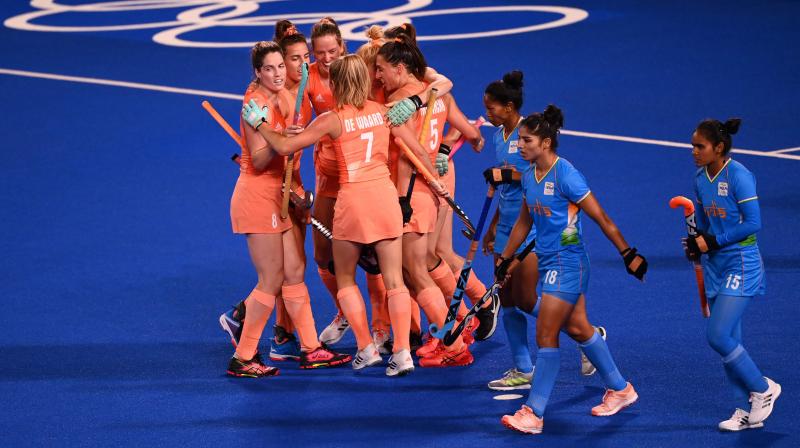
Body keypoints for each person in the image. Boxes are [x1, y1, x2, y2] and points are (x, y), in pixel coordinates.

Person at [242, 54, 449, 376]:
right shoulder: (385, 113)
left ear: (336, 84)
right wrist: (439, 175)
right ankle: (402, 353)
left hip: (353, 203)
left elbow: (285, 147)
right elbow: (419, 152)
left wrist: (260, 124)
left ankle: (366, 348)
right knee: (395, 280)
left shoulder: (331, 119)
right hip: (384, 199)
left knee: (346, 278)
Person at [498, 105, 646, 434]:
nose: (520, 146)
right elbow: (524, 222)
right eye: (520, 140)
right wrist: (506, 258)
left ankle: (533, 413)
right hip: (550, 260)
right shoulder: (528, 175)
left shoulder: (567, 175)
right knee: (578, 328)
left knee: (546, 334)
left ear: (546, 143)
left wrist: (628, 253)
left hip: (569, 262)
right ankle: (622, 390)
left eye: (527, 140)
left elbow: (601, 217)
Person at [224, 41, 351, 377]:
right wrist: (283, 137)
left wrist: (289, 139)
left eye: (281, 66)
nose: (278, 73)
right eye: (270, 68)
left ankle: (312, 349)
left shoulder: (277, 96)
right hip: (257, 197)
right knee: (271, 279)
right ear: (257, 72)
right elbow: (263, 157)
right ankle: (244, 356)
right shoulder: (256, 104)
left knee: (294, 271)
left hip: (278, 192)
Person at [481, 72, 605, 391]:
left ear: (510, 107)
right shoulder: (498, 135)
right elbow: (511, 194)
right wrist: (495, 227)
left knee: (524, 299)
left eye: (493, 108)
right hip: (508, 224)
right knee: (506, 298)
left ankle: (585, 334)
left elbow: (526, 180)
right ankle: (523, 368)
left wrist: (501, 173)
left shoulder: (528, 137)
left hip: (534, 231)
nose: (488, 114)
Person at [375, 35, 473, 367]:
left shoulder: (397, 105)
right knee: (421, 266)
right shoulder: (435, 95)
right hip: (425, 190)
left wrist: (431, 176)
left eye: (382, 69)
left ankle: (455, 344)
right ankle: (456, 329)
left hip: (409, 194)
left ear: (400, 68)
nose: (378, 77)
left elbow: (412, 150)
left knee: (415, 272)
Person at [684, 118, 780, 431]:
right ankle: (743, 409)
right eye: (694, 145)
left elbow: (753, 223)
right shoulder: (700, 178)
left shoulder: (739, 175)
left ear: (719, 148)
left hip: (741, 262)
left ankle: (763, 388)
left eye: (700, 146)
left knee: (717, 335)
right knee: (731, 340)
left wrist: (713, 240)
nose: (694, 151)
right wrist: (697, 244)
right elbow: (704, 226)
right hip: (715, 264)